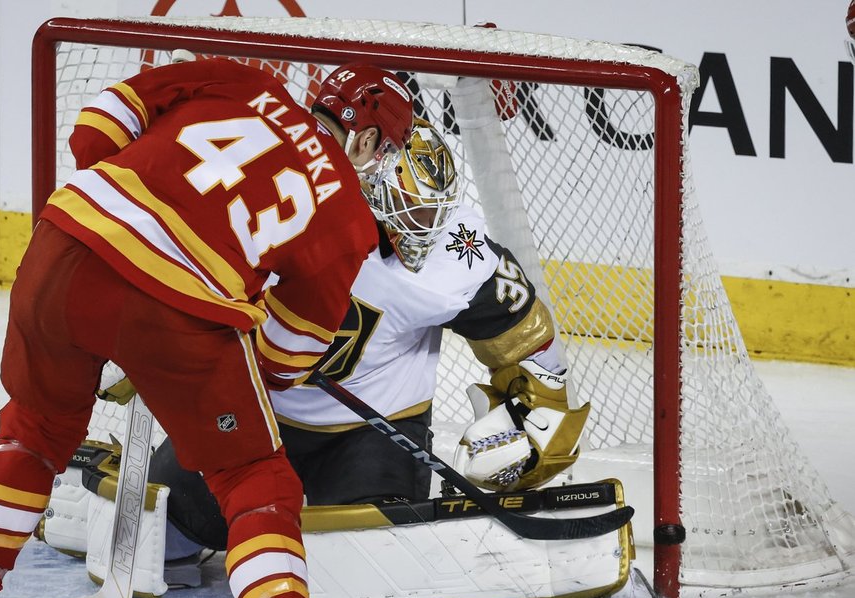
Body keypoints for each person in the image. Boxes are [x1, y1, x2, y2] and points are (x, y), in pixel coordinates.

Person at [0, 56, 414, 598]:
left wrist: (139, 229)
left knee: (33, 430)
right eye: (384, 151)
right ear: (363, 139)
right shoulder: (346, 215)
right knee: (254, 474)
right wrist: (182, 331)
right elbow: (283, 360)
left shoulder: (245, 80)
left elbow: (96, 130)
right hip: (173, 315)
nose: (376, 165)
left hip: (62, 248)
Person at [89, 118, 589, 567]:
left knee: (372, 562)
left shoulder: (460, 253)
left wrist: (537, 426)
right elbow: (191, 285)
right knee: (160, 544)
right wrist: (146, 341)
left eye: (432, 210)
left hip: (373, 430)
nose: (425, 228)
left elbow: (532, 351)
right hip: (253, 412)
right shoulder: (278, 212)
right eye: (407, 209)